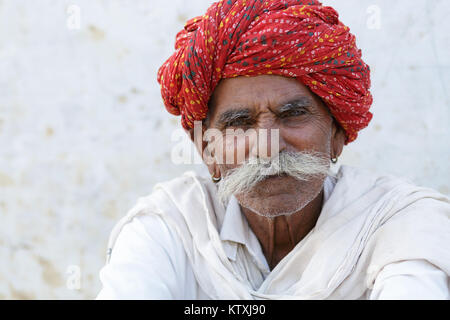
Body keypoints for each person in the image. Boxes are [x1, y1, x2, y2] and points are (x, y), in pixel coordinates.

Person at [96, 0, 449, 299]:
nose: (268, 147)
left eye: (293, 114)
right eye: (239, 123)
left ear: (337, 133)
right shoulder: (170, 226)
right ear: (207, 150)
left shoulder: (398, 220)